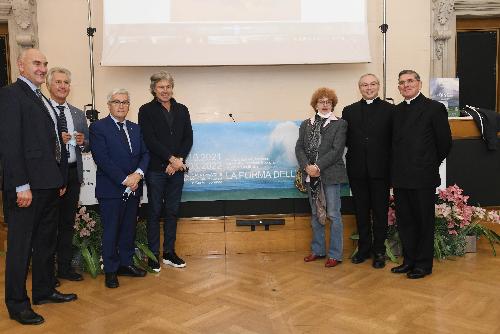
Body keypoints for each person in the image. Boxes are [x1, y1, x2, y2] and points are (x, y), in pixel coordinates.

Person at [0, 48, 77, 326]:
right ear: (21, 66)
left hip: (48, 185)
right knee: (21, 247)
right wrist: (21, 185)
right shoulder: (10, 95)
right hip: (26, 188)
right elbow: (10, 145)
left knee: (46, 241)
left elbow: (50, 144)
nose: (43, 68)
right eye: (36, 63)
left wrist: (58, 179)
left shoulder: (39, 97)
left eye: (45, 63)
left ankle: (43, 291)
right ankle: (17, 305)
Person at [390, 70, 452, 279]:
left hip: (423, 176)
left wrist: (428, 164)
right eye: (402, 83)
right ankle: (409, 261)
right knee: (405, 222)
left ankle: (424, 265)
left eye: (410, 81)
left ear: (419, 83)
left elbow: (444, 143)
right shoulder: (396, 111)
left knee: (424, 222)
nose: (406, 85)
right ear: (398, 87)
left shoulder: (435, 108)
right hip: (400, 177)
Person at [89, 89, 150, 288]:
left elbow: (145, 154)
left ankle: (126, 264)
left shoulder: (136, 128)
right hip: (112, 189)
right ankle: (111, 270)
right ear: (109, 105)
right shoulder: (99, 127)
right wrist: (126, 180)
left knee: (128, 230)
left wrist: (138, 174)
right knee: (111, 231)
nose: (121, 105)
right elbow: (102, 159)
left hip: (134, 188)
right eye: (117, 102)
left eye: (125, 102)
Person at [138, 71, 193, 272]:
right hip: (156, 170)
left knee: (172, 211)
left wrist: (178, 161)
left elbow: (188, 138)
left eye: (168, 86)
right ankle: (153, 256)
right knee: (154, 212)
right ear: (153, 89)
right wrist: (171, 159)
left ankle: (169, 253)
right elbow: (150, 140)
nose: (165, 90)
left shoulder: (182, 109)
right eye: (161, 87)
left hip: (176, 170)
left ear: (172, 88)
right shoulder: (145, 110)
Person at [342, 74, 394, 269]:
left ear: (378, 86)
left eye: (372, 84)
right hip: (357, 171)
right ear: (359, 88)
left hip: (381, 171)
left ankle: (379, 251)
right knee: (361, 212)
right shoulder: (349, 111)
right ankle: (363, 249)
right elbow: (346, 141)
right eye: (365, 85)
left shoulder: (391, 110)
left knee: (380, 213)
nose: (369, 88)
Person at [295, 87, 348, 268]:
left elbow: (337, 150)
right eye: (321, 102)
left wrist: (318, 166)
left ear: (332, 104)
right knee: (316, 214)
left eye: (328, 102)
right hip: (311, 176)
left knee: (333, 215)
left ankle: (335, 254)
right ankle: (317, 250)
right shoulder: (306, 124)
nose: (325, 105)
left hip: (331, 175)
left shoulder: (340, 124)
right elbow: (299, 148)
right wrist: (307, 167)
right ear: (315, 104)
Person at [47, 67, 90, 284]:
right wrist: (57, 142)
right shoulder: (43, 111)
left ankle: (64, 268)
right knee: (49, 226)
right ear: (48, 85)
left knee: (66, 224)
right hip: (51, 176)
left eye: (66, 82)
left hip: (73, 175)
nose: (63, 86)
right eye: (58, 82)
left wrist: (83, 142)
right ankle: (47, 273)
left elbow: (87, 144)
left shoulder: (77, 114)